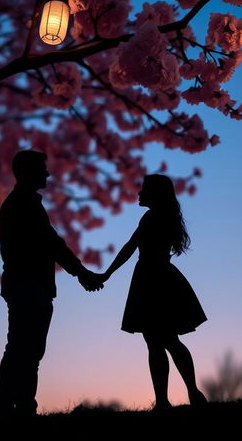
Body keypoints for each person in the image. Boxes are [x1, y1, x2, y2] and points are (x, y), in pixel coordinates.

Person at [0, 149, 103, 418]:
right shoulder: (25, 204)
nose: (48, 173)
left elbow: (51, 243)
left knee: (25, 348)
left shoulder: (22, 203)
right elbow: (51, 243)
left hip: (26, 285)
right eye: (43, 168)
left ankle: (17, 406)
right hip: (29, 285)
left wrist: (79, 272)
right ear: (29, 171)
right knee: (24, 348)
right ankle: (15, 407)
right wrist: (81, 272)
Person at [99, 173, 208, 411]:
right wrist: (107, 274)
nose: (139, 193)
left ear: (155, 193)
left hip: (152, 280)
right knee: (165, 341)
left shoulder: (152, 218)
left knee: (160, 342)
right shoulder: (162, 217)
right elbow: (131, 248)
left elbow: (130, 248)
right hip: (159, 278)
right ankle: (183, 394)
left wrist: (107, 274)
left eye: (144, 189)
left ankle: (170, 398)